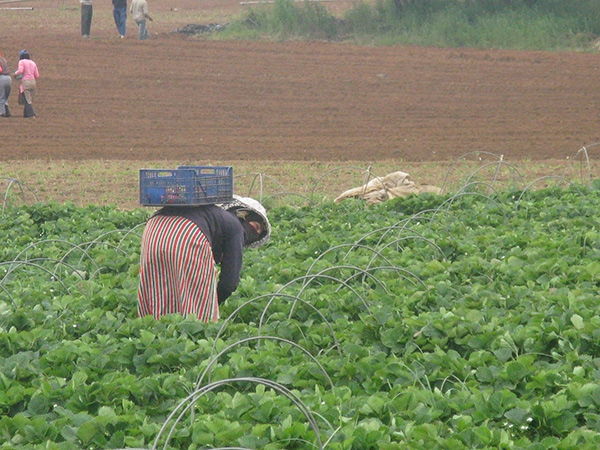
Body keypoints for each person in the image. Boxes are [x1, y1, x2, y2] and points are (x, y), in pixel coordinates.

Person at [138, 195, 271, 322]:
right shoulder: (236, 227)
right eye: (256, 227)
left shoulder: (214, 217)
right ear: (244, 217)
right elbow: (229, 282)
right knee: (197, 306)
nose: (254, 233)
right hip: (188, 232)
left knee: (158, 285)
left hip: (154, 228)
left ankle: (155, 328)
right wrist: (211, 303)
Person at [13, 50, 39, 119]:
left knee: (27, 99)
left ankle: (31, 114)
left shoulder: (21, 62)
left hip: (25, 82)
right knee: (29, 98)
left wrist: (15, 74)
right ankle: (26, 114)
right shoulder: (33, 63)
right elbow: (37, 75)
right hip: (33, 82)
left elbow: (20, 71)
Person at [0, 52, 11, 117]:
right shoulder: (3, 60)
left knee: (1, 97)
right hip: (8, 78)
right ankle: (7, 110)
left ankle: (2, 112)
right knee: (5, 97)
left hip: (1, 78)